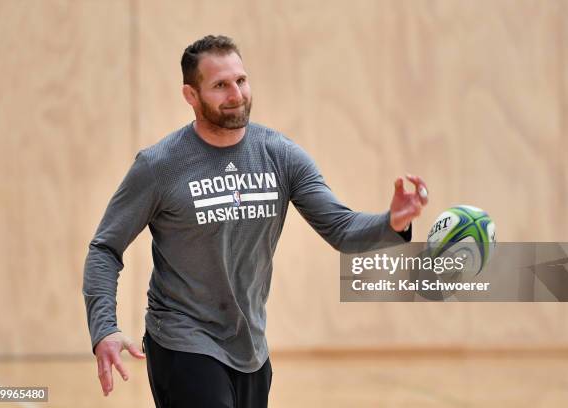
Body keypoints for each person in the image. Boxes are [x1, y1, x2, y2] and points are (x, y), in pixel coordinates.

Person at [83, 34, 428, 408]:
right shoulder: (159, 166)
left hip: (251, 347)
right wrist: (104, 328)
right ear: (190, 96)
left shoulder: (280, 155)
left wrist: (393, 222)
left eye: (241, 80)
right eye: (220, 85)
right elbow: (105, 247)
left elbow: (342, 230)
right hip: (183, 340)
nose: (236, 94)